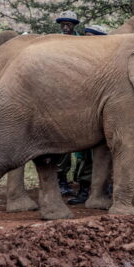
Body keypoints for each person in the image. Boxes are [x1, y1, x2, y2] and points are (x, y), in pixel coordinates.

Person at [67, 24, 109, 204]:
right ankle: (84, 190)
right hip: (83, 116)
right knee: (84, 156)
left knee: (103, 156)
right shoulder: (78, 60)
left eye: (90, 36)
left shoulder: (106, 61)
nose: (86, 39)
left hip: (101, 115)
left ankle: (101, 191)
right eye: (85, 35)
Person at [54, 11, 82, 197]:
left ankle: (81, 179)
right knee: (60, 140)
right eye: (63, 24)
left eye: (69, 24)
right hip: (59, 96)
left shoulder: (83, 43)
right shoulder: (54, 42)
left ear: (74, 25)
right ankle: (60, 180)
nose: (65, 27)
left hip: (81, 95)